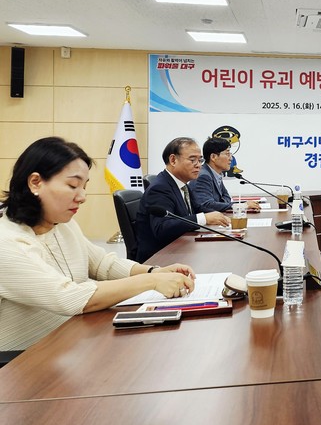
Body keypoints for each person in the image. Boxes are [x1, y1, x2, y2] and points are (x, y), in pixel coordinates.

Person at [0, 137, 196, 354]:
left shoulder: (63, 224)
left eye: (84, 186)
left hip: (74, 341)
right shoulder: (6, 242)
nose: (82, 197)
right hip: (26, 361)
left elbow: (102, 264)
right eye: (72, 186)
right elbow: (67, 297)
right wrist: (151, 281)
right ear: (35, 182)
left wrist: (153, 271)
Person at [135, 137, 230, 262]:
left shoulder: (182, 184)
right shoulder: (160, 188)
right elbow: (162, 228)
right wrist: (204, 218)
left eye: (200, 160)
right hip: (161, 259)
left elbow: (198, 208)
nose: (198, 165)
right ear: (173, 160)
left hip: (181, 249)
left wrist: (219, 215)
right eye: (192, 160)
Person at [189, 137, 260, 212]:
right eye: (227, 154)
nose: (231, 158)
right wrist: (243, 206)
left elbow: (227, 197)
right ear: (213, 157)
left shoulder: (215, 173)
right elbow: (206, 205)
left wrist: (219, 205)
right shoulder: (203, 176)